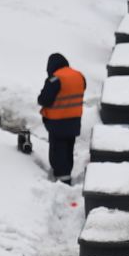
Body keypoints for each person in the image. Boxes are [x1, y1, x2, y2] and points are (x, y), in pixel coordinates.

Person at [37, 52, 86, 184]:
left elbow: (44, 99)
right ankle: (67, 175)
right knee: (68, 149)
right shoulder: (79, 76)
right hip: (74, 121)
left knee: (58, 152)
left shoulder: (55, 79)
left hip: (57, 122)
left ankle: (61, 181)